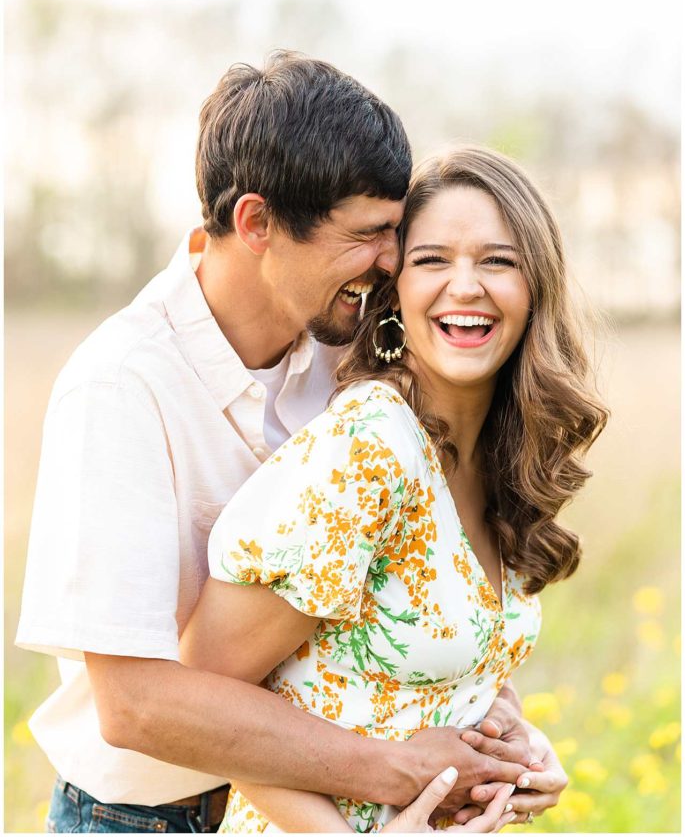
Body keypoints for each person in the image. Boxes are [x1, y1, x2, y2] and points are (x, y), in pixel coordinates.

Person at [16, 56, 557, 834]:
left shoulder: (351, 348)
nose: (389, 262)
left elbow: (405, 612)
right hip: (144, 816)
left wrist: (512, 743)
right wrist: (391, 768)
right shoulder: (120, 389)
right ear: (256, 224)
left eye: (394, 232)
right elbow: (134, 704)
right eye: (368, 235)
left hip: (317, 800)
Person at [181, 145, 608, 832]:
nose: (464, 286)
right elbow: (204, 697)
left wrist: (522, 751)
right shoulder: (369, 449)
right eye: (432, 260)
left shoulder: (499, 455)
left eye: (496, 261)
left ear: (536, 288)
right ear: (392, 293)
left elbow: (428, 667)